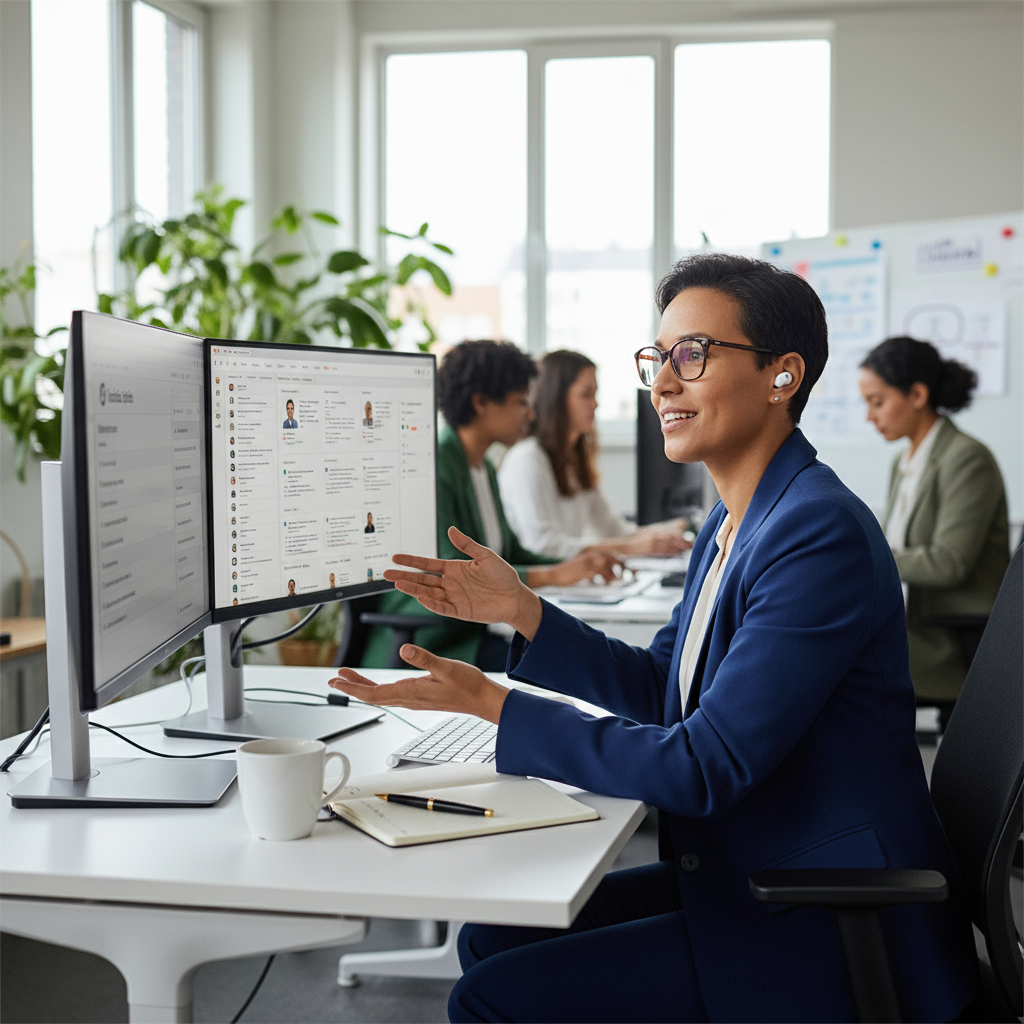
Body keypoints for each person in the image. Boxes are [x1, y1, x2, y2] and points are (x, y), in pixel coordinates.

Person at [331, 255, 978, 1023]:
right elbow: (664, 688)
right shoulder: (733, 519)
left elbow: (705, 765)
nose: (662, 384)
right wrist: (526, 611)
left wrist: (499, 708)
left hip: (826, 909)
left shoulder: (816, 533)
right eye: (658, 358)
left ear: (783, 375)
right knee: (491, 937)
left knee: (488, 997)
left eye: (692, 355)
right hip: (757, 863)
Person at [359, 340, 619, 672]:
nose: (531, 414)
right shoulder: (434, 467)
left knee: (572, 655)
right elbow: (454, 570)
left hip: (476, 632)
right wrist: (555, 574)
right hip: (436, 639)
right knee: (564, 667)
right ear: (481, 402)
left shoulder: (485, 467)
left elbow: (510, 553)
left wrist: (577, 563)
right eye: (521, 402)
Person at [859, 335, 1009, 730]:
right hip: (918, 623)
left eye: (877, 402)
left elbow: (949, 562)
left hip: (952, 638)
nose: (869, 417)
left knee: (841, 666)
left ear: (917, 395)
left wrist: (863, 557)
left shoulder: (966, 458)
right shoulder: (903, 461)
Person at [499, 348, 690, 558]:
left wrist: (675, 529)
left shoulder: (573, 461)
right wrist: (633, 547)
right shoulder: (527, 460)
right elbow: (543, 545)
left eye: (595, 394)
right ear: (556, 399)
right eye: (586, 394)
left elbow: (614, 530)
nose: (595, 404)